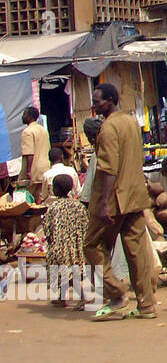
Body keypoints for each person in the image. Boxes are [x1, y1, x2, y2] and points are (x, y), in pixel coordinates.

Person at [83, 83, 157, 320]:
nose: (94, 105)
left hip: (115, 198)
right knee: (136, 251)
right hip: (135, 194)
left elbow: (108, 169)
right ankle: (146, 304)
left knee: (92, 246)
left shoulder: (107, 128)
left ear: (110, 100)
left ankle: (116, 294)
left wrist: (104, 203)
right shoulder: (131, 121)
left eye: (97, 101)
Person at [45, 174, 89, 308]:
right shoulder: (79, 206)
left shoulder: (54, 207)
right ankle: (61, 298)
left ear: (57, 189)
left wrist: (50, 241)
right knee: (69, 271)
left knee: (65, 273)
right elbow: (85, 225)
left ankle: (83, 297)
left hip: (60, 246)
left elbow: (48, 228)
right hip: (76, 246)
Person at [19, 107, 50, 195]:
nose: (23, 117)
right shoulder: (43, 130)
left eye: (25, 114)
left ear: (31, 117)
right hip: (45, 168)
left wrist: (29, 171)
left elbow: (29, 153)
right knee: (41, 196)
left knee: (28, 197)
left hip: (34, 169)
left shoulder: (27, 132)